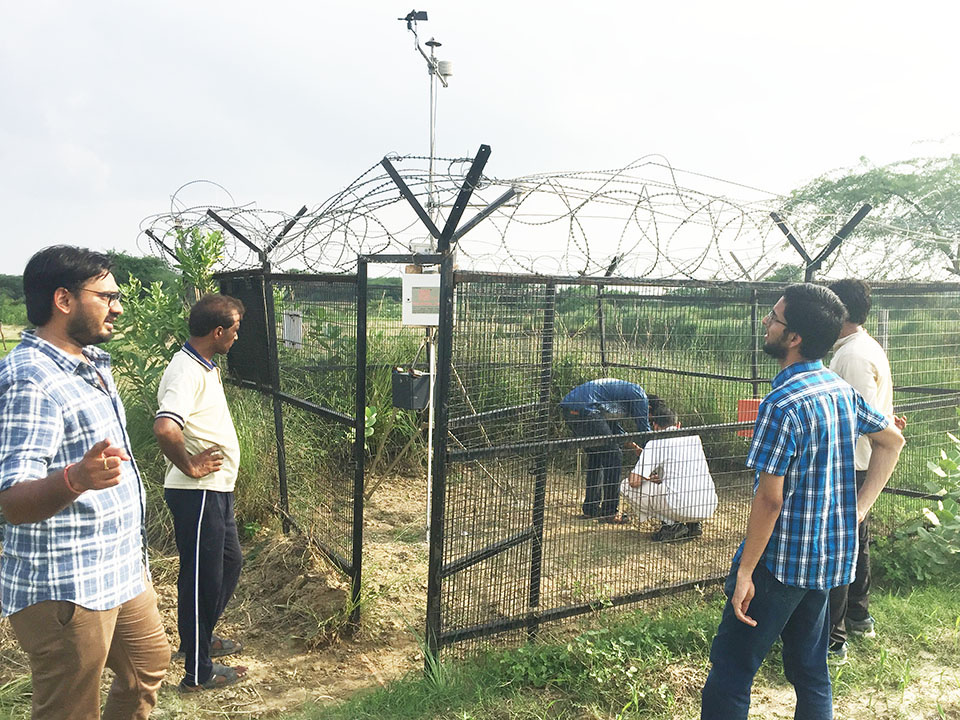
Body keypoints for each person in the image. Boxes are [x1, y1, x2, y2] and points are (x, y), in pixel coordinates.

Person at [700, 283, 904, 720]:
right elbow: (892, 440)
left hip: (779, 564)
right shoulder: (837, 389)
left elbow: (769, 501)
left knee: (732, 670)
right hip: (826, 563)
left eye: (773, 318)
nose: (766, 323)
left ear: (793, 337)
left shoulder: (781, 404)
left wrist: (745, 573)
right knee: (811, 671)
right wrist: (859, 508)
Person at [0, 246, 170, 720]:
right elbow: (13, 501)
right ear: (64, 299)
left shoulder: (90, 362)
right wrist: (77, 477)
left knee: (146, 664)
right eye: (107, 295)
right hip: (66, 585)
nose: (118, 306)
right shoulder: (31, 380)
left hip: (117, 568)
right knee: (70, 711)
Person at [153, 293, 247, 691]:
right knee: (201, 578)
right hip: (198, 492)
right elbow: (165, 427)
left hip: (215, 490)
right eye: (235, 331)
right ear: (218, 331)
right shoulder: (185, 370)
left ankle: (200, 638)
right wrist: (189, 465)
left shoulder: (204, 365)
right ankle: (197, 673)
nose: (237, 338)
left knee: (229, 564)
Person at [826, 279, 906, 658]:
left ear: (839, 312)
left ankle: (834, 639)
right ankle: (859, 618)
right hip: (862, 461)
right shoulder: (858, 347)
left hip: (854, 464)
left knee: (842, 549)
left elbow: (860, 419)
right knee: (856, 543)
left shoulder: (854, 356)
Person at [617, 400, 718, 541]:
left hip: (680, 506)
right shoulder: (694, 439)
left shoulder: (656, 444)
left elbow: (634, 482)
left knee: (625, 486)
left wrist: (647, 477)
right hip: (708, 505)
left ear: (655, 426)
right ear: (678, 425)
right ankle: (694, 524)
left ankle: (672, 525)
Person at [560, 378, 650, 521]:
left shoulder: (614, 399)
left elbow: (613, 429)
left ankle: (591, 509)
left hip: (571, 409)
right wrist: (653, 456)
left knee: (596, 456)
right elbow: (645, 432)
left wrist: (634, 448)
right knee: (614, 456)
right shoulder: (640, 395)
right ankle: (610, 512)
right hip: (587, 410)